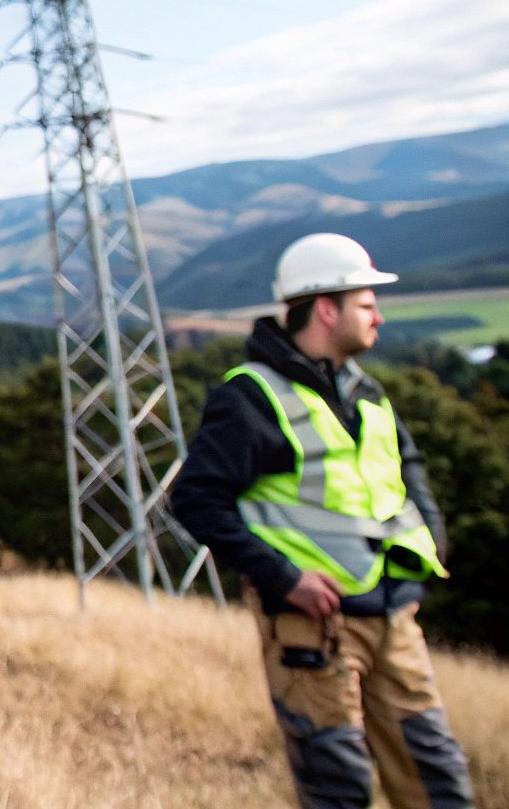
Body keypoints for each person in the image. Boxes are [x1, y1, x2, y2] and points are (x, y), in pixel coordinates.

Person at [170, 233, 473, 809]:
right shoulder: (251, 399)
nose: (378, 318)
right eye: (366, 304)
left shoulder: (367, 393)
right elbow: (196, 499)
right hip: (312, 626)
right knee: (340, 789)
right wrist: (285, 580)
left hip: (393, 615)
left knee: (438, 781)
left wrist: (427, 545)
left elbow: (409, 470)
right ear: (327, 309)